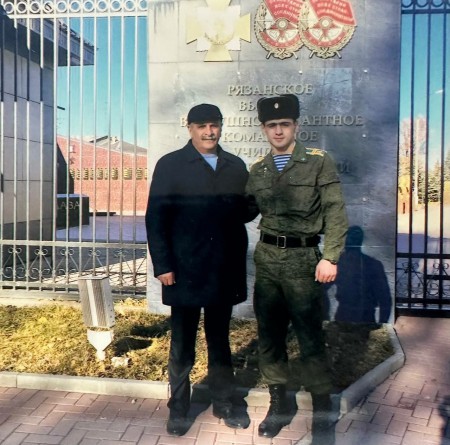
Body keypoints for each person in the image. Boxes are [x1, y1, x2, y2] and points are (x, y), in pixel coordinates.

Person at [145, 103, 255, 436]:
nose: (209, 132)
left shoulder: (235, 165)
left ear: (221, 127)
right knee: (182, 342)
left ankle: (224, 402)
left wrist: (251, 201)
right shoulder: (171, 164)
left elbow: (246, 211)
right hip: (184, 269)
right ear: (190, 128)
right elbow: (156, 217)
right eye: (202, 125)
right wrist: (163, 264)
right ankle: (179, 408)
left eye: (214, 125)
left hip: (222, 268)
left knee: (220, 339)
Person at [246, 94, 348, 441]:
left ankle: (323, 410)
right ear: (264, 129)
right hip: (267, 260)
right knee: (269, 336)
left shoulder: (318, 162)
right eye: (272, 125)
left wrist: (330, 256)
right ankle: (279, 405)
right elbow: (244, 208)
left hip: (304, 260)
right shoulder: (258, 170)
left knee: (309, 337)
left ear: (296, 126)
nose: (278, 131)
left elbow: (335, 210)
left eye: (284, 124)